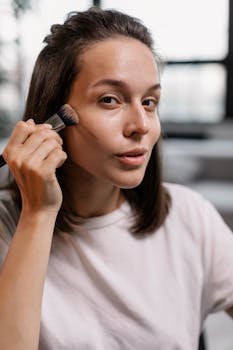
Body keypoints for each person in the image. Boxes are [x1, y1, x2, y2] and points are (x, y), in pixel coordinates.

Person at [0, 6, 232, 350]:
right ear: (53, 117)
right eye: (110, 99)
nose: (141, 125)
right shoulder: (7, 225)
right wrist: (38, 214)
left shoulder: (189, 216)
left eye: (150, 101)